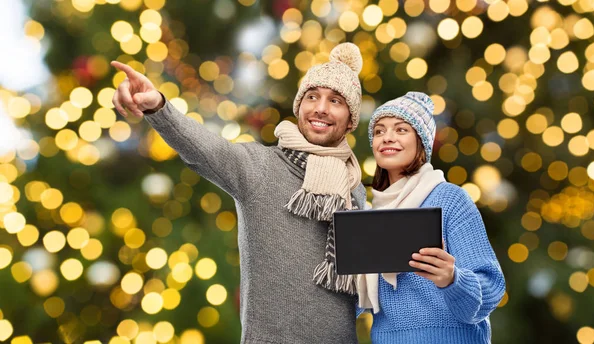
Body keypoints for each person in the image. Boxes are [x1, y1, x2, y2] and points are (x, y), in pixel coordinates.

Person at [111, 43, 366, 343]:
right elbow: (204, 148)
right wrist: (157, 106)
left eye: (335, 100)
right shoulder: (259, 167)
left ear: (350, 120)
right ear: (299, 107)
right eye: (312, 97)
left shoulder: (353, 188)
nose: (320, 108)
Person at [356, 92, 506, 343]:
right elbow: (350, 303)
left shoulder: (450, 200)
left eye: (401, 129)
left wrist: (453, 279)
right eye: (379, 131)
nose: (387, 137)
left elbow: (491, 289)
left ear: (421, 142)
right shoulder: (370, 214)